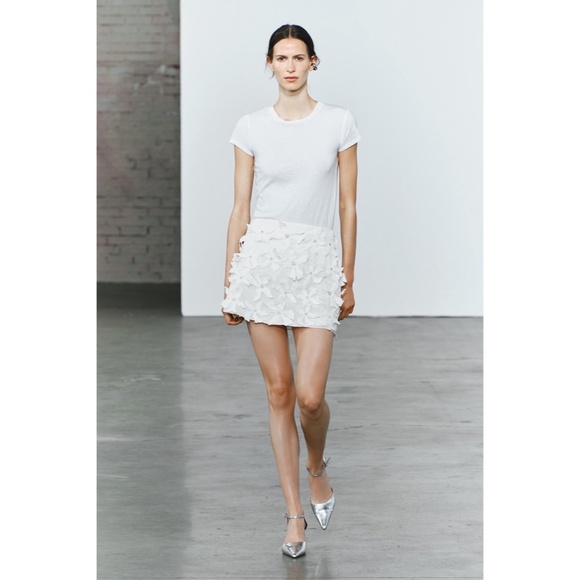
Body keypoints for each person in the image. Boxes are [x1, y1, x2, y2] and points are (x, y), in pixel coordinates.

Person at [221, 23, 360, 559]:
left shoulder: (339, 122)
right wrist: (230, 281)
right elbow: (240, 208)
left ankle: (316, 465)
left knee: (309, 397)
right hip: (261, 264)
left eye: (299, 57)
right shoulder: (250, 127)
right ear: (270, 64)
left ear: (313, 62)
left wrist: (347, 275)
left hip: (317, 263)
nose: (291, 66)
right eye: (281, 58)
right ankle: (294, 514)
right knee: (279, 392)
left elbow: (348, 205)